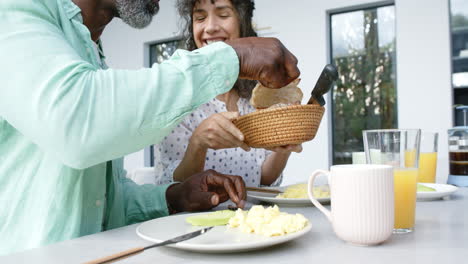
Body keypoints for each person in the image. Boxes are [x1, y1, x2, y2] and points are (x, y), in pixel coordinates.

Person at [0, 0, 300, 255]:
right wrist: (235, 55)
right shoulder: (14, 12)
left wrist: (172, 197)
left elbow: (103, 202)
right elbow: (77, 126)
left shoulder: (94, 56)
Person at [153, 0, 302, 187]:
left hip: (250, 215)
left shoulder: (256, 97)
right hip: (192, 217)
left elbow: (263, 178)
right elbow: (172, 188)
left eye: (223, 15)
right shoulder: (176, 98)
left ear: (242, 23)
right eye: (200, 18)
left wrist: (285, 146)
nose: (210, 27)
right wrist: (198, 143)